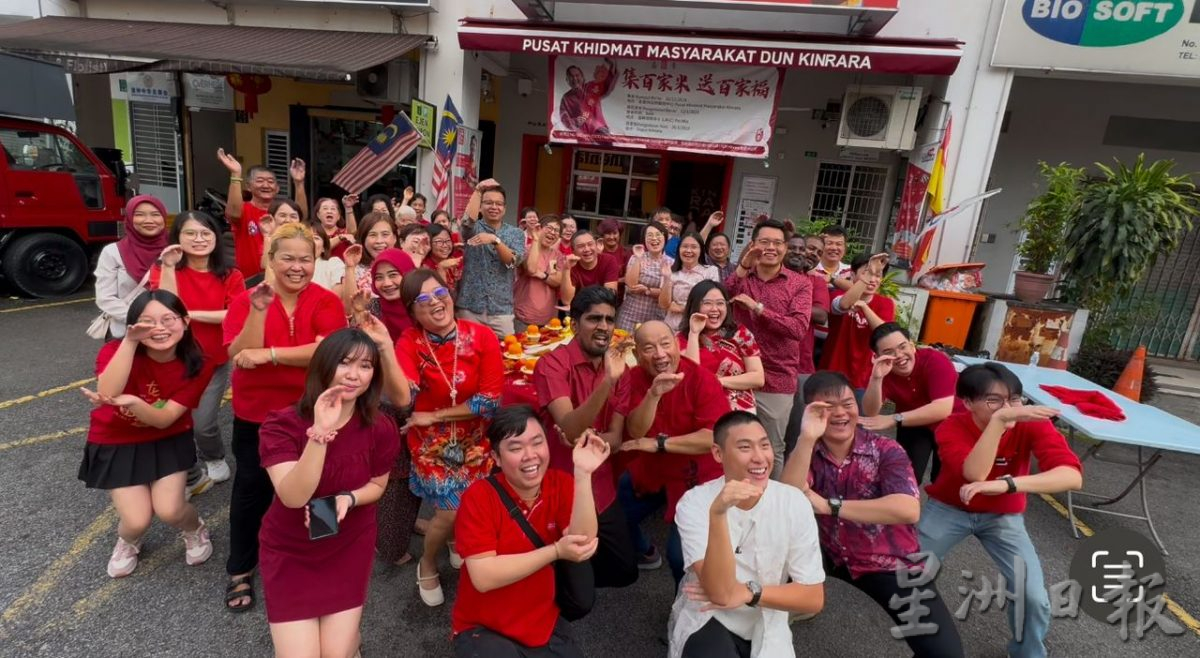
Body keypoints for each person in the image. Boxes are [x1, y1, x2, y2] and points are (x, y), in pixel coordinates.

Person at [782, 372, 964, 657]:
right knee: (762, 573)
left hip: (886, 561)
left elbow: (907, 508)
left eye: (846, 403)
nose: (840, 413)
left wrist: (830, 506)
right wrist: (805, 437)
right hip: (824, 551)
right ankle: (797, 601)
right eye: (827, 408)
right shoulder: (809, 449)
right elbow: (788, 498)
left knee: (944, 654)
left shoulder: (886, 450)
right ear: (811, 412)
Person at [222, 222, 348, 613]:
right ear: (271, 259)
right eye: (288, 258)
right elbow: (239, 353)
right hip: (256, 414)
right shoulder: (248, 299)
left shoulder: (326, 300)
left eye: (306, 259)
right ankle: (241, 567)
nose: (298, 267)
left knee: (321, 485)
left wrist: (271, 355)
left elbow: (327, 350)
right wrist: (258, 312)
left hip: (313, 411)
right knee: (251, 489)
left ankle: (322, 560)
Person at [256, 328, 404, 656]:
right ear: (324, 366)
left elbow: (378, 486)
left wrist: (348, 498)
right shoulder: (281, 425)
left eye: (365, 366)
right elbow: (293, 497)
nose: (354, 374)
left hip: (348, 545)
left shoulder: (380, 427)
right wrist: (320, 432)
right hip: (291, 550)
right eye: (344, 362)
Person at [921, 363, 1082, 658]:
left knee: (1033, 597)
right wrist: (1000, 422)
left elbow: (1072, 476)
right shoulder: (951, 426)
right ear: (967, 403)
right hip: (950, 507)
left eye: (1015, 399)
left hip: (1003, 515)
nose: (1008, 408)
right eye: (994, 400)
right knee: (911, 574)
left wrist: (1007, 485)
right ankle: (929, 642)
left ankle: (1027, 653)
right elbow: (975, 474)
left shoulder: (1031, 423)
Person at [452, 405, 611, 657]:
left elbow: (583, 543)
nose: (530, 455)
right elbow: (483, 577)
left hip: (542, 621)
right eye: (515, 448)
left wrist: (583, 475)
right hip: (485, 627)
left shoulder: (560, 483)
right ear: (496, 457)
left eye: (537, 442)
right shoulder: (478, 497)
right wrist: (556, 550)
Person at [79, 289, 214, 578]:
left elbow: (165, 420)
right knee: (136, 520)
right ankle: (128, 540)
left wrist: (135, 403)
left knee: (171, 509)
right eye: (147, 322)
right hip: (116, 440)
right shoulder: (114, 350)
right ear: (133, 326)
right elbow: (107, 393)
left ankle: (195, 528)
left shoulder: (198, 362)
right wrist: (129, 341)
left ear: (186, 321)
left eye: (168, 319)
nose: (160, 328)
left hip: (168, 437)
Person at [670, 411, 825, 658]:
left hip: (768, 613)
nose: (759, 457)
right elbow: (720, 593)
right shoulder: (696, 502)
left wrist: (747, 592)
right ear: (718, 454)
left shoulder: (793, 502)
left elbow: (813, 597)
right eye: (745, 447)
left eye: (765, 445)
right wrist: (719, 513)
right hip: (711, 614)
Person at [394, 268, 504, 607]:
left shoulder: (481, 336)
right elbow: (402, 395)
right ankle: (427, 564)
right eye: (424, 301)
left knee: (470, 502)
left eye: (440, 294)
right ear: (412, 312)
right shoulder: (409, 342)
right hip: (430, 443)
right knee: (451, 511)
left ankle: (455, 542)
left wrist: (437, 414)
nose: (436, 303)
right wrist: (384, 348)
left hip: (474, 437)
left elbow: (490, 399)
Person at [533, 286, 639, 589]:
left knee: (625, 572)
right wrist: (606, 383)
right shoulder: (552, 364)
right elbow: (570, 430)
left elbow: (616, 439)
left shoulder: (620, 369)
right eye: (594, 319)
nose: (604, 327)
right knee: (577, 599)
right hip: (560, 484)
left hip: (601, 483)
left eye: (609, 319)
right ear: (574, 324)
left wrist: (582, 434)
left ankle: (573, 570)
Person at [613, 320, 726, 582]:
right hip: (653, 469)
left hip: (697, 474)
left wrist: (660, 444)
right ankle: (645, 552)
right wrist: (653, 395)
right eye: (649, 348)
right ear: (638, 354)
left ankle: (686, 609)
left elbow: (713, 437)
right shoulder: (634, 378)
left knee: (680, 555)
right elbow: (637, 429)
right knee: (614, 513)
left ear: (677, 344)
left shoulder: (701, 379)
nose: (660, 354)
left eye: (665, 344)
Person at [151, 210, 245, 490]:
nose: (199, 239)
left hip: (212, 360)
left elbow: (234, 315)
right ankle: (190, 470)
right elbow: (165, 306)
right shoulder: (164, 268)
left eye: (206, 233)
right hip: (172, 358)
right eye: (190, 233)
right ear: (177, 238)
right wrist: (168, 266)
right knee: (174, 420)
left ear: (216, 237)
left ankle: (214, 455)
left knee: (203, 422)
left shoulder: (230, 274)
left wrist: (189, 314)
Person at [725, 219, 812, 479]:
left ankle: (769, 507)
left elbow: (798, 328)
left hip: (777, 377)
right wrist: (743, 266)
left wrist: (757, 308)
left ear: (785, 248)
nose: (770, 248)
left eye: (777, 243)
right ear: (753, 245)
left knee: (771, 448)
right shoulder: (741, 277)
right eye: (764, 242)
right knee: (731, 442)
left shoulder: (799, 284)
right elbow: (718, 296)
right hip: (737, 373)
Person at [861, 323, 965, 484]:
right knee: (907, 475)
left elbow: (942, 409)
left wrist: (893, 419)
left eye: (903, 347)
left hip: (952, 422)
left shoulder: (935, 360)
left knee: (945, 480)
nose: (899, 355)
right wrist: (876, 378)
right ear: (876, 356)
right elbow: (870, 411)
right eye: (888, 352)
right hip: (914, 422)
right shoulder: (883, 370)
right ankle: (903, 506)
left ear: (912, 345)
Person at [218, 149, 306, 279]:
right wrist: (236, 174)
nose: (266, 185)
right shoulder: (244, 209)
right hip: (249, 280)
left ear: (277, 188)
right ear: (248, 186)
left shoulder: (282, 212)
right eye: (260, 181)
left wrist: (299, 183)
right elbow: (233, 214)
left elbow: (301, 215)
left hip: (281, 278)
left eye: (271, 182)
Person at [680, 281, 763, 414]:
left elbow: (758, 378)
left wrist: (716, 381)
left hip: (739, 411)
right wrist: (694, 334)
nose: (715, 309)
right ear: (694, 306)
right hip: (701, 409)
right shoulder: (682, 338)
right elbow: (691, 376)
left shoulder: (741, 333)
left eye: (720, 303)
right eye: (707, 303)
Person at [458, 181, 527, 338]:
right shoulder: (474, 228)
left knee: (506, 353)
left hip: (501, 308)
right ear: (481, 207)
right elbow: (468, 222)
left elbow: (513, 261)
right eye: (488, 203)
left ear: (504, 208)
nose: (494, 207)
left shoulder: (515, 233)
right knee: (468, 353)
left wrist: (494, 240)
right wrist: (477, 190)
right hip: (470, 307)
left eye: (498, 204)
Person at [819, 251, 895, 394]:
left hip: (864, 379)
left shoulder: (886, 304)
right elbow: (843, 305)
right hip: (831, 374)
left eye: (878, 275)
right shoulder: (837, 295)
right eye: (867, 273)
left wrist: (864, 307)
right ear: (852, 275)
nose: (872, 279)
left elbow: (885, 332)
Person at [94, 195, 168, 340]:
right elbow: (105, 298)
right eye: (139, 215)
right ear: (129, 218)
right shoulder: (113, 252)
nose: (149, 220)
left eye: (155, 214)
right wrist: (143, 320)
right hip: (127, 331)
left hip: (168, 331)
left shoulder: (175, 249)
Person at [782, 239, 831, 457]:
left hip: (801, 364)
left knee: (795, 431)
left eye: (803, 250)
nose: (799, 253)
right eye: (793, 248)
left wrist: (784, 306)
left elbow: (821, 315)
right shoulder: (770, 277)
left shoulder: (815, 282)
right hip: (765, 364)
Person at [515, 215, 569, 328]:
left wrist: (541, 274)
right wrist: (535, 239)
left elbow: (558, 281)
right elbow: (531, 268)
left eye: (556, 231)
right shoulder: (526, 249)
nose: (552, 232)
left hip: (549, 320)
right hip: (524, 317)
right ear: (539, 228)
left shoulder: (558, 256)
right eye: (549, 228)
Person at [617, 221, 672, 331]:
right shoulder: (636, 257)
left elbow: (668, 296)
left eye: (658, 235)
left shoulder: (671, 263)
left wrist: (647, 290)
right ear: (644, 240)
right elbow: (631, 284)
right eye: (650, 235)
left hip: (655, 319)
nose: (654, 238)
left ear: (665, 238)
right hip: (629, 315)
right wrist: (638, 258)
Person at [660, 230, 719, 332]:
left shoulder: (710, 271)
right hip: (672, 328)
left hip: (699, 329)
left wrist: (682, 308)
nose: (688, 250)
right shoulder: (670, 272)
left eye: (693, 247)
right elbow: (664, 305)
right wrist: (667, 279)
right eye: (685, 246)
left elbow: (711, 303)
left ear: (701, 250)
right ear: (679, 249)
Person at [342, 211, 398, 315]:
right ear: (363, 239)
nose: (379, 241)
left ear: (394, 238)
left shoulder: (403, 265)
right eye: (372, 235)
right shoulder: (355, 269)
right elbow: (349, 311)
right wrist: (350, 268)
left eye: (385, 234)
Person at [562, 230, 619, 305]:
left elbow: (609, 296)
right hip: (579, 311)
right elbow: (567, 301)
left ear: (596, 245)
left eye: (590, 244)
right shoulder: (571, 265)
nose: (587, 249)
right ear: (573, 251)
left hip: (602, 309)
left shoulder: (609, 260)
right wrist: (566, 269)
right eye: (581, 246)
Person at [311, 196, 357, 261]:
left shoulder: (344, 233)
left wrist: (348, 208)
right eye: (325, 208)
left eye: (333, 209)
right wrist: (340, 238)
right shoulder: (312, 232)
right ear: (318, 215)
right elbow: (321, 248)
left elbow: (352, 231)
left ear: (338, 216)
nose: (329, 211)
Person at [424, 223, 465, 292]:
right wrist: (441, 268)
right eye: (439, 241)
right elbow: (441, 296)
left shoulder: (453, 260)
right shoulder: (425, 268)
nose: (445, 245)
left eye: (448, 241)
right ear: (428, 243)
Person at [310, 228, 347, 294]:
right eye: (306, 237)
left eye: (316, 238)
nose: (311, 241)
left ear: (323, 248)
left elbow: (336, 299)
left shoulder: (333, 264)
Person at [558, 64, 590, 132]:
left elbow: (606, 86)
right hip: (580, 136)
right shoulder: (566, 98)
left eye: (577, 75)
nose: (575, 78)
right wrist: (575, 122)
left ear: (582, 77)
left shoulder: (592, 89)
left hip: (599, 133)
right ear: (567, 80)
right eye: (571, 77)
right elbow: (564, 119)